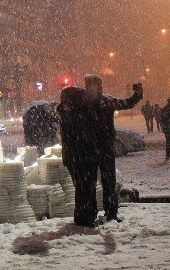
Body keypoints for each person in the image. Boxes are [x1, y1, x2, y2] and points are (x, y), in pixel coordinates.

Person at [84, 74, 142, 223]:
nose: (101, 87)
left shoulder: (100, 101)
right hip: (95, 148)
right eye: (98, 85)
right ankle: (100, 213)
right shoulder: (87, 102)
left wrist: (137, 95)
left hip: (98, 148)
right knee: (97, 183)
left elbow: (126, 104)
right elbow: (126, 104)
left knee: (105, 183)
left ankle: (107, 213)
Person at [57, 86, 98, 227]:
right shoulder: (75, 114)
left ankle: (83, 216)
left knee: (81, 187)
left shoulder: (66, 112)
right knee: (85, 187)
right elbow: (83, 135)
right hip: (81, 156)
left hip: (74, 157)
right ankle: (86, 216)